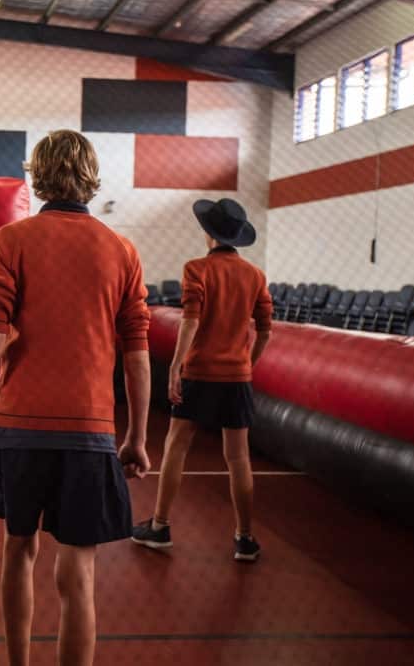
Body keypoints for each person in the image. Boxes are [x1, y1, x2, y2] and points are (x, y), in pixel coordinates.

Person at [0, 130, 152, 666]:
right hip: (90, 428)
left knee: (19, 548)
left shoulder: (11, 241)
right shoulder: (122, 250)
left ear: (37, 177)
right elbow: (137, 353)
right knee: (78, 570)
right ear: (91, 177)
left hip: (20, 425)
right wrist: (137, 436)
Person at [131, 198, 272, 562]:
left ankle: (160, 527)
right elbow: (265, 331)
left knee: (176, 446)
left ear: (209, 233)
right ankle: (245, 538)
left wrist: (176, 366)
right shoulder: (255, 276)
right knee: (238, 458)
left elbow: (190, 321)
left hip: (199, 372)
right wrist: (247, 364)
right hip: (236, 377)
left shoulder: (196, 269)